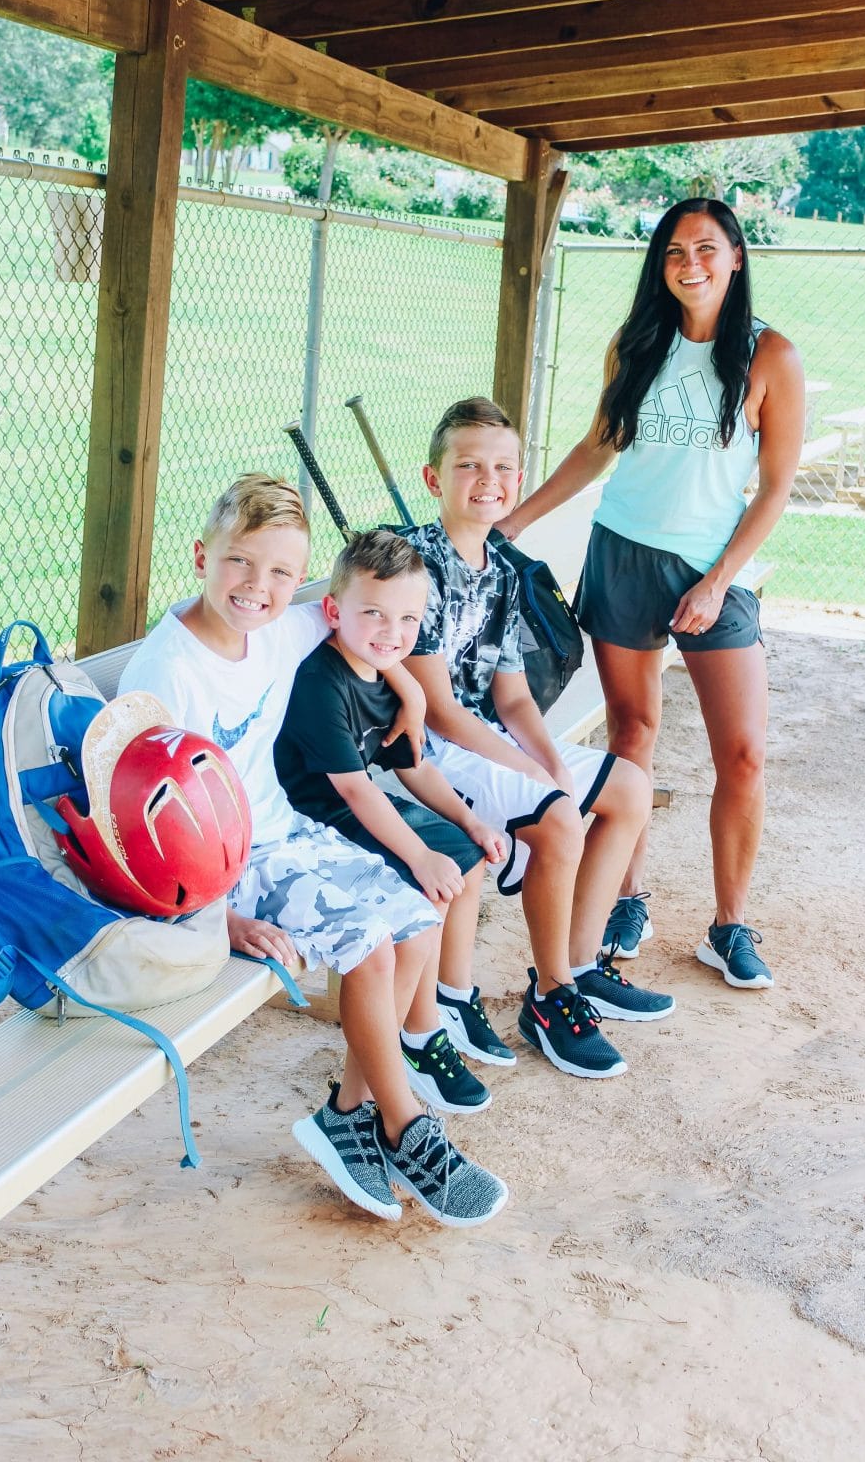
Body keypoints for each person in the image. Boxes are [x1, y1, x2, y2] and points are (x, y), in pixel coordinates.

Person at [118, 473, 507, 1227]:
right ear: (202, 555)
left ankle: (347, 1112)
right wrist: (221, 919)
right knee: (368, 946)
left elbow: (355, 628)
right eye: (240, 562)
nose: (257, 587)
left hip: (286, 836)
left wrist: (417, 694)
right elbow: (144, 825)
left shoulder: (274, 628)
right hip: (224, 868)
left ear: (300, 583)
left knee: (420, 918)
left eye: (279, 573)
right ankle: (404, 1127)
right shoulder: (168, 673)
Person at [499, 198, 804, 990]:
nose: (690, 263)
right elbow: (595, 449)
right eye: (674, 250)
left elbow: (774, 489)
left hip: (710, 568)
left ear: (736, 256)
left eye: (707, 247)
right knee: (631, 734)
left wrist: (718, 581)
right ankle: (626, 897)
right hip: (625, 554)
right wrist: (515, 523)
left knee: (742, 754)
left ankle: (729, 925)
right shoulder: (636, 344)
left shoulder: (770, 356)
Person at [401, 398, 675, 1085]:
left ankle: (579, 964)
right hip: (430, 752)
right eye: (468, 466)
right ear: (435, 480)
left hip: (486, 736)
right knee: (556, 818)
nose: (487, 480)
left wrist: (549, 763)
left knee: (628, 788)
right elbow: (437, 710)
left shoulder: (502, 570)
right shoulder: (416, 566)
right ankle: (551, 997)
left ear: (518, 481)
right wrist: (538, 778)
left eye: (502, 468)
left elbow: (513, 697)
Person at [274, 528, 513, 1117]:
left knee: (465, 854)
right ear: (334, 611)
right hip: (314, 819)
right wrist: (419, 855)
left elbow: (416, 765)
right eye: (373, 613)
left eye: (408, 619)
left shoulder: (382, 674)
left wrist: (468, 819)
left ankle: (445, 1002)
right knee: (430, 880)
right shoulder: (321, 684)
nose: (392, 632)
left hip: (353, 810)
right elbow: (355, 790)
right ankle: (419, 1033)